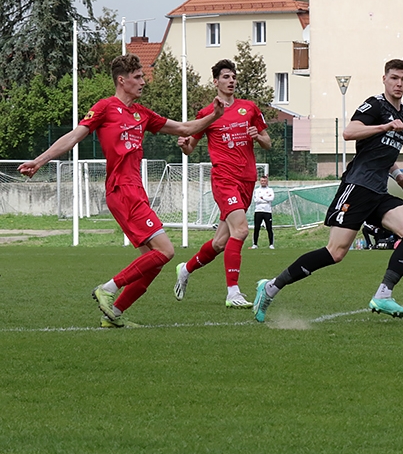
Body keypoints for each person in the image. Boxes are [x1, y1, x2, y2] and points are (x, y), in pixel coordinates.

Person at [17, 54, 225, 327]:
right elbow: (73, 136)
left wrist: (215, 115)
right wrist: (39, 161)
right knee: (166, 251)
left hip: (135, 191)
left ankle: (114, 314)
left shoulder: (142, 114)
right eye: (137, 77)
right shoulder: (105, 108)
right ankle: (108, 288)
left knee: (154, 261)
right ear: (121, 80)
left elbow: (185, 127)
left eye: (142, 77)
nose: (142, 83)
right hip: (121, 190)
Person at [253, 59, 403, 321]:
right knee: (336, 252)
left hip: (378, 190)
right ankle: (271, 287)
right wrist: (385, 125)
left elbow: (386, 153)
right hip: (357, 187)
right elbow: (349, 132)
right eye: (394, 78)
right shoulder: (375, 105)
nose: (399, 83)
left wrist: (399, 176)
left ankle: (384, 295)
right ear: (384, 79)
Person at [173, 59, 272, 309]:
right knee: (241, 231)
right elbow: (190, 148)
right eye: (226, 77)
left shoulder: (249, 108)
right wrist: (184, 145)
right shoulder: (207, 113)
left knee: (219, 242)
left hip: (247, 179)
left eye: (233, 76)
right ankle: (233, 293)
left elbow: (268, 143)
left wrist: (258, 136)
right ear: (215, 81)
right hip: (224, 179)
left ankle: (186, 269)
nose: (231, 81)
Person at [252, 175, 275, 249]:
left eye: (264, 181)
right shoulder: (257, 190)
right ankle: (255, 244)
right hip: (258, 210)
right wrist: (266, 199)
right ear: (260, 181)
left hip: (267, 211)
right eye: (262, 181)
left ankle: (271, 244)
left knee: (269, 228)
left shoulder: (270, 190)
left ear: (267, 181)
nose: (263, 182)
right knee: (257, 228)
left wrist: (263, 198)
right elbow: (256, 200)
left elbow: (271, 198)